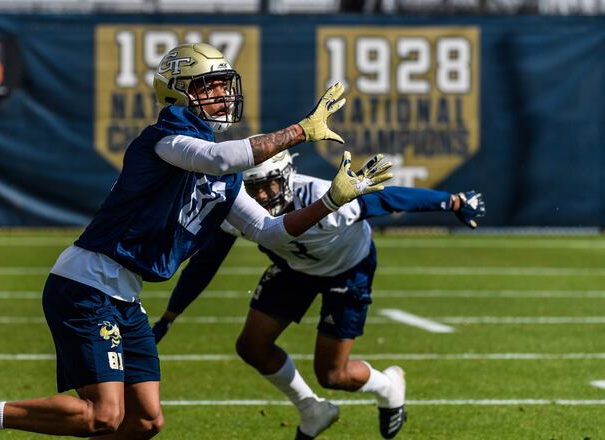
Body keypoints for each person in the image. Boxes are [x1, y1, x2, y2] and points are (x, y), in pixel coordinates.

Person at [0, 42, 393, 440]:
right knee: (101, 414)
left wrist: (329, 200)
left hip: (125, 294)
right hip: (88, 283)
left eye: (225, 85)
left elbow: (269, 231)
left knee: (145, 420)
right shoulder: (166, 139)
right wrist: (300, 132)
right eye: (210, 86)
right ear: (179, 93)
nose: (222, 96)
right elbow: (221, 159)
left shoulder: (221, 177)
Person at [152, 152, 486, 439]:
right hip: (293, 267)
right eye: (254, 188)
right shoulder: (238, 210)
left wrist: (452, 202)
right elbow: (208, 260)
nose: (264, 196)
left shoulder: (325, 197)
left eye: (270, 184)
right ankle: (311, 409)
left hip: (348, 268)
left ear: (287, 176)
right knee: (252, 346)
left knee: (333, 375)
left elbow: (387, 198)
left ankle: (388, 387)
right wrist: (171, 312)